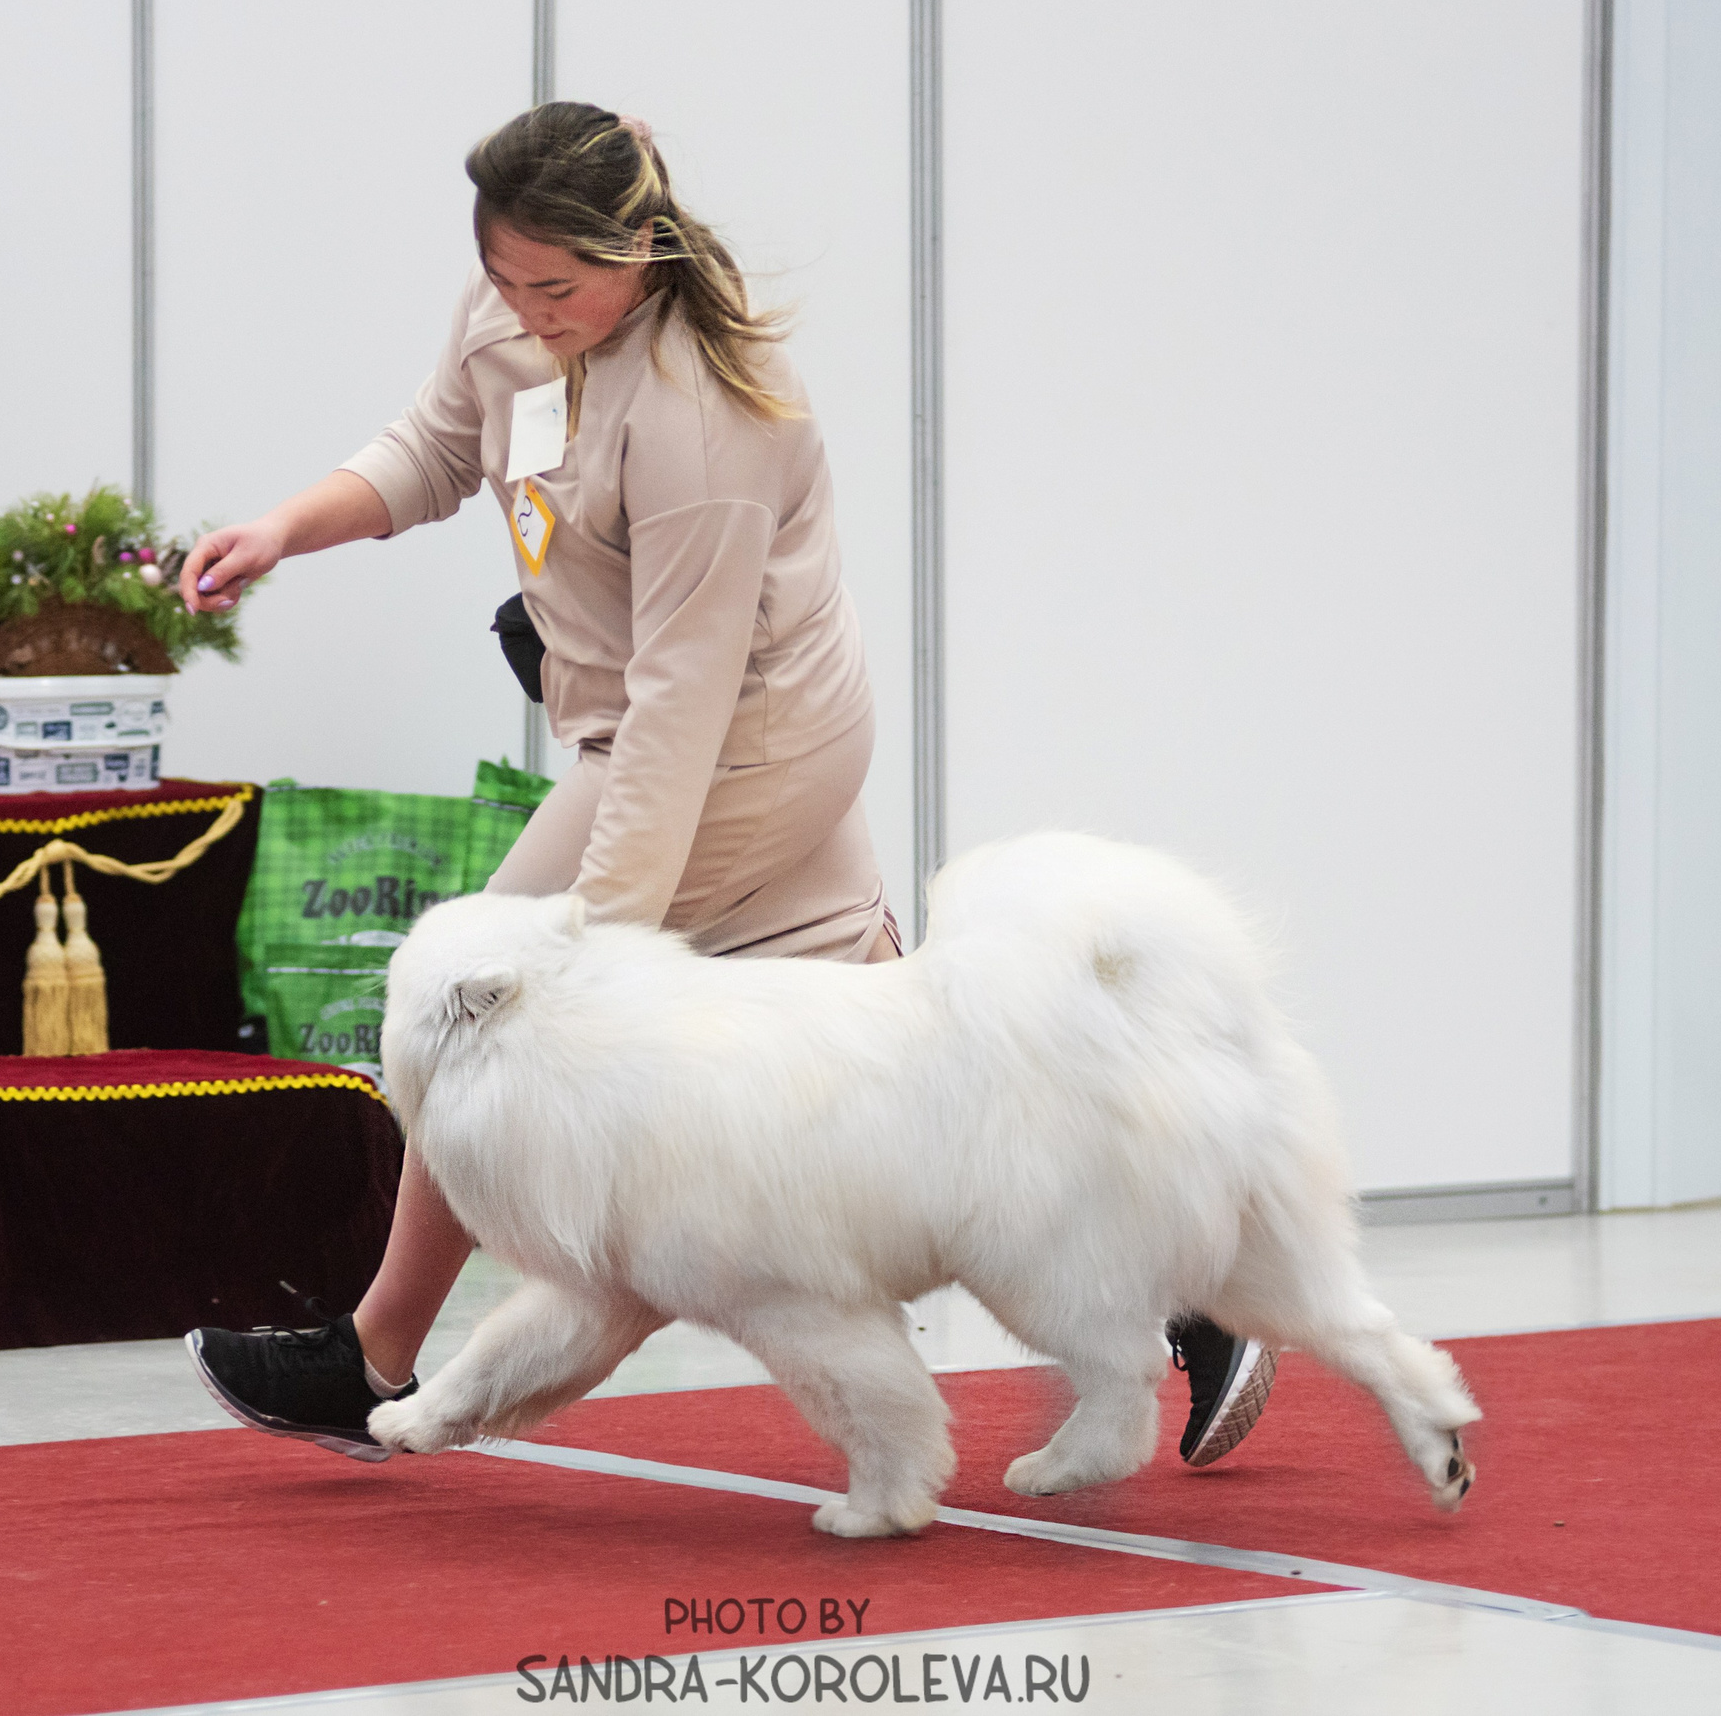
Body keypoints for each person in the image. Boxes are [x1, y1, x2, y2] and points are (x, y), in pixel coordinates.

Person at [179, 102, 1274, 1470]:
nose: (527, 310)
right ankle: (1198, 1299)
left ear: (637, 248)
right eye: (506, 277)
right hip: (703, 737)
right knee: (926, 1069)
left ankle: (372, 1354)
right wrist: (290, 527)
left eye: (557, 287)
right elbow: (440, 445)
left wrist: (580, 950)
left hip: (732, 753)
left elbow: (678, 716)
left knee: (473, 1017)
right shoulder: (514, 306)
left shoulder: (703, 419)